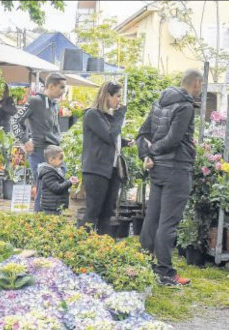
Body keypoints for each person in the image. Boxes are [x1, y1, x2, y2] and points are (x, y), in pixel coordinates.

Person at [136, 69, 203, 286]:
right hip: (177, 169)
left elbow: (142, 133)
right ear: (197, 83)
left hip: (158, 170)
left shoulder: (159, 102)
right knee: (168, 223)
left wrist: (146, 155)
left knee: (152, 218)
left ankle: (143, 264)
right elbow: (174, 139)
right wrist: (153, 151)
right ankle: (165, 272)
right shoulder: (185, 106)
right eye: (201, 85)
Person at [80, 81, 131, 237]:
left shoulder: (108, 116)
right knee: (93, 211)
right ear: (107, 95)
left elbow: (109, 139)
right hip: (96, 170)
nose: (119, 100)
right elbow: (108, 135)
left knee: (107, 212)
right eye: (117, 96)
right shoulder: (92, 114)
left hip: (112, 169)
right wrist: (120, 115)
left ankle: (100, 247)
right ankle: (83, 244)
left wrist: (124, 143)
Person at [11, 72, 67, 212]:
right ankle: (39, 223)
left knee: (56, 190)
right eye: (61, 87)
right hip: (40, 152)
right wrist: (25, 140)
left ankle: (51, 223)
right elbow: (14, 121)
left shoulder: (54, 104)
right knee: (43, 189)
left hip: (54, 151)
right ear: (51, 86)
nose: (63, 91)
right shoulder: (35, 101)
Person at [38, 145, 79, 215]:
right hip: (51, 208)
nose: (62, 161)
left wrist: (69, 180)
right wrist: (69, 182)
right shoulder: (48, 173)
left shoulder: (55, 170)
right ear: (51, 160)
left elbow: (60, 183)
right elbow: (57, 188)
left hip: (55, 206)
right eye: (60, 159)